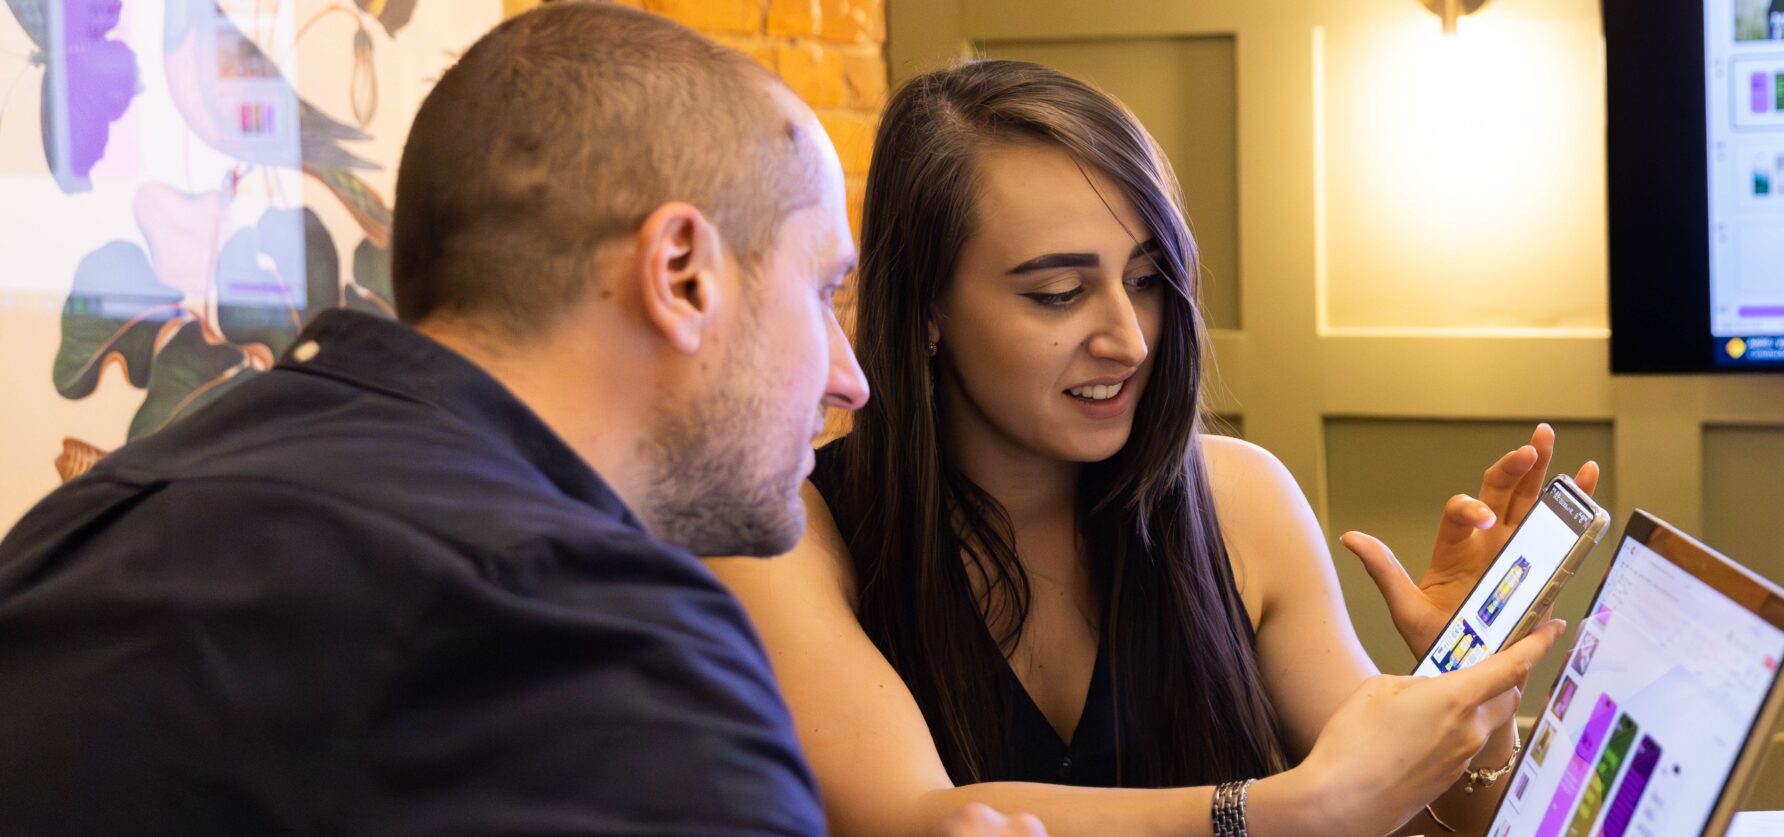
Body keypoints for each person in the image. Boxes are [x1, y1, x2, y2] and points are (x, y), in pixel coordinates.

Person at [0, 5, 1038, 835]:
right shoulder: (583, 629)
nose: (850, 379)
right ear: (681, 274)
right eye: (822, 292)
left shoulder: (89, 524)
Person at [708, 59, 1599, 836]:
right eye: (1059, 292)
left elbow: (1412, 818)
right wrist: (1288, 810)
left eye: (1145, 280)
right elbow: (916, 821)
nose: (1129, 339)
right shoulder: (788, 533)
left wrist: (1470, 704)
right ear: (928, 307)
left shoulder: (1240, 498)